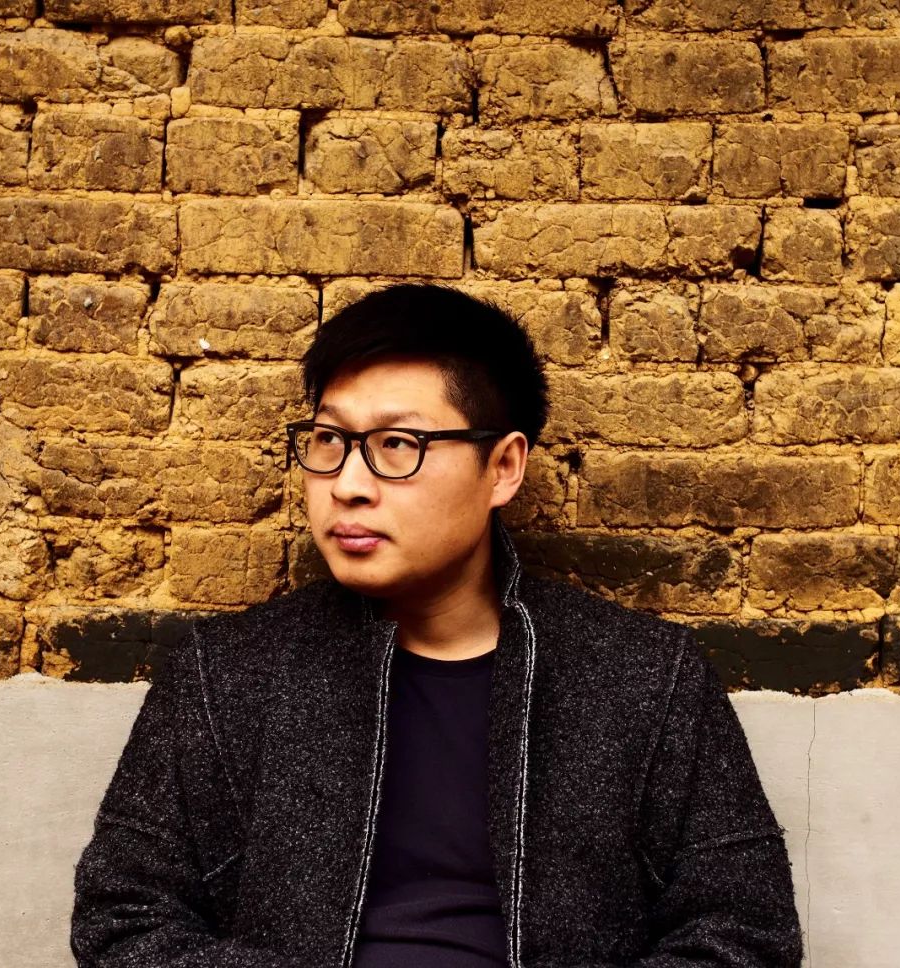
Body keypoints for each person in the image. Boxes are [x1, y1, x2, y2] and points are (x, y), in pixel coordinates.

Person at [71, 282, 803, 968]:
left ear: (503, 467)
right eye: (328, 441)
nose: (347, 485)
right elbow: (123, 917)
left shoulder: (646, 676)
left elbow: (745, 931)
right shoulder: (223, 673)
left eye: (399, 445)